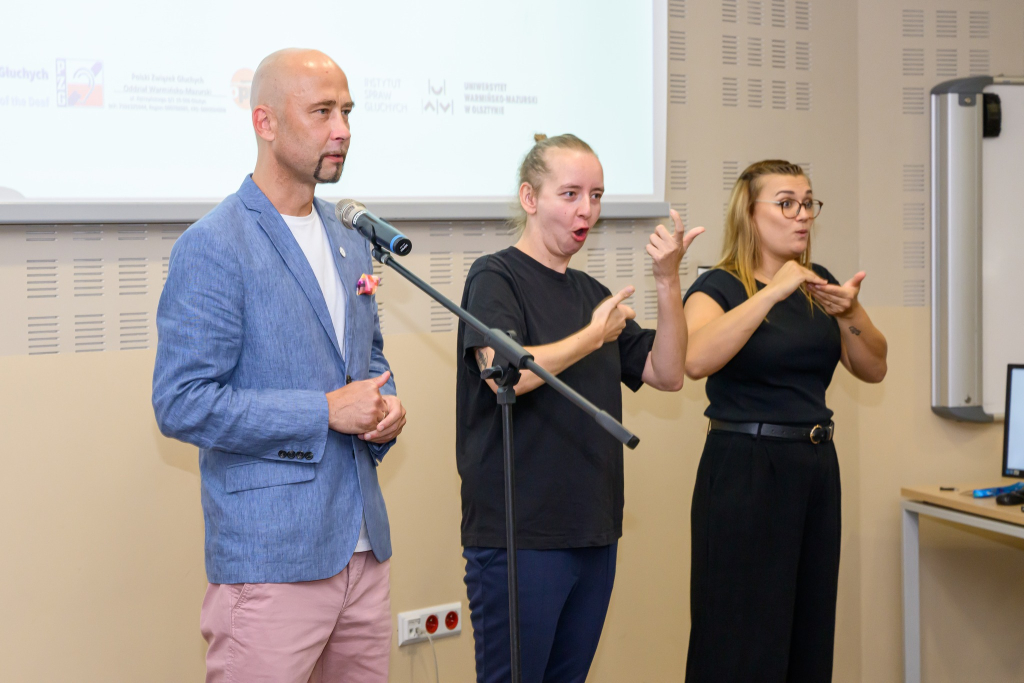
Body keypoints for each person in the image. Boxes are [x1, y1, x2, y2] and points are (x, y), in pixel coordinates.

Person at [152, 49, 406, 683]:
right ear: (264, 123)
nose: (342, 129)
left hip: (363, 553)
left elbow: (366, 360)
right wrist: (324, 411)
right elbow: (181, 401)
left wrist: (386, 405)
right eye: (322, 111)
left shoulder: (351, 240)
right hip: (271, 558)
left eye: (346, 111)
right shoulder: (213, 244)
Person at [455, 133, 704, 683]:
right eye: (570, 193)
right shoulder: (494, 276)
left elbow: (666, 373)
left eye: (596, 195)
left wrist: (668, 281)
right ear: (529, 198)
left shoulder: (592, 293)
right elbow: (506, 373)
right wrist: (592, 338)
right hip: (521, 536)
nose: (586, 209)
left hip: (593, 529)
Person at [682, 159, 887, 682]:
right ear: (750, 215)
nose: (802, 216)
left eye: (808, 203)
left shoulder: (821, 286)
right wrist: (772, 290)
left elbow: (875, 367)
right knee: (739, 636)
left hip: (815, 465)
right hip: (746, 468)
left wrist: (851, 314)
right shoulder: (718, 286)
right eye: (786, 203)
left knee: (808, 628)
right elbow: (696, 359)